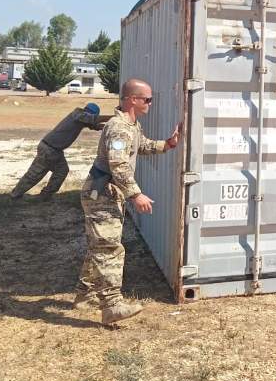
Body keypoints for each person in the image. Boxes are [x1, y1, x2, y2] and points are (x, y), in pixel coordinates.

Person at [74, 78, 180, 326]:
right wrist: (136, 194)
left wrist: (168, 144)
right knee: (109, 248)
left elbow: (140, 146)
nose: (150, 103)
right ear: (132, 99)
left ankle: (84, 294)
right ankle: (112, 305)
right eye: (147, 99)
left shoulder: (131, 125)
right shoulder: (118, 127)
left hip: (108, 193)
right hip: (101, 194)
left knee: (99, 246)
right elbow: (118, 164)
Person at [10, 103, 108, 200]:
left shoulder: (81, 119)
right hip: (49, 149)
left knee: (61, 171)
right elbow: (94, 119)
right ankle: (16, 195)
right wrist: (114, 117)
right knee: (35, 174)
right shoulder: (78, 113)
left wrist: (108, 126)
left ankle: (45, 195)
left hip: (54, 150)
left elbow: (95, 125)